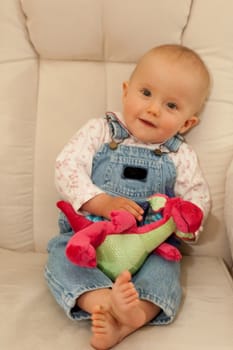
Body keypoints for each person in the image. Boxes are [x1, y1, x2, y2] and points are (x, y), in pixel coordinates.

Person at [45, 44, 211, 349]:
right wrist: (100, 202)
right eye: (145, 93)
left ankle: (134, 314)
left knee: (164, 272)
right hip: (90, 236)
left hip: (150, 247)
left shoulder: (181, 155)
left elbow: (197, 198)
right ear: (126, 91)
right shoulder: (100, 132)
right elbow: (66, 166)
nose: (152, 109)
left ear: (187, 123)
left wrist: (187, 224)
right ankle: (104, 302)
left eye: (171, 106)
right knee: (62, 256)